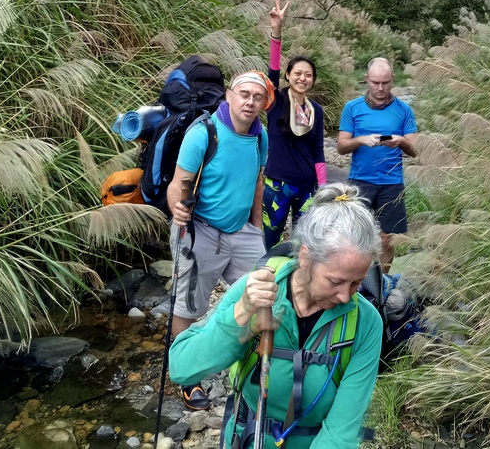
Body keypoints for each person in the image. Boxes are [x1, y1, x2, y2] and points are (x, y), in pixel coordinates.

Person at [169, 183, 383, 448]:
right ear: (305, 258)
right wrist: (240, 316)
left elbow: (342, 429)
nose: (345, 296)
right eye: (335, 281)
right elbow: (181, 368)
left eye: (356, 283)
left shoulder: (365, 322)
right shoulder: (256, 289)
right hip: (247, 437)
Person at [166, 70, 275, 410]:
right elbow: (178, 182)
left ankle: (256, 364)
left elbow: (257, 181)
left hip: (242, 230)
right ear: (229, 95)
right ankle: (188, 378)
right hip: (201, 230)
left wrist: (256, 227)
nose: (250, 102)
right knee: (188, 305)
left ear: (263, 103)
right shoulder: (204, 133)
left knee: (264, 291)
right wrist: (177, 208)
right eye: (244, 94)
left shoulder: (261, 137)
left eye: (257, 97)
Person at [336, 58, 417, 272]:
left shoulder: (404, 110)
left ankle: (382, 283)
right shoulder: (352, 108)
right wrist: (361, 140)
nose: (380, 88)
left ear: (392, 80)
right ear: (366, 80)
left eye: (385, 82)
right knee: (356, 236)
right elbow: (341, 146)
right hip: (360, 180)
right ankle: (356, 279)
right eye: (375, 82)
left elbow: (416, 150)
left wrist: (400, 141)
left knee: (387, 238)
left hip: (392, 182)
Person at [262, 0, 327, 250]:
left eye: (308, 75)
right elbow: (272, 71)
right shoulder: (275, 101)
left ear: (313, 80)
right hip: (277, 184)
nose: (303, 78)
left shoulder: (316, 111)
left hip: (306, 187)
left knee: (305, 245)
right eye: (297, 73)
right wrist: (276, 31)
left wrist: (323, 188)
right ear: (288, 76)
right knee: (271, 241)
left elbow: (318, 150)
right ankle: (270, 283)